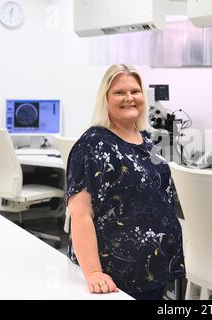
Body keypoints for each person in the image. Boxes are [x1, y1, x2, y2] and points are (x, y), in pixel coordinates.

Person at [66, 64, 185, 300]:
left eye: (135, 91)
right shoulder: (93, 144)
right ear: (106, 99)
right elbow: (80, 214)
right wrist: (93, 273)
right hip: (118, 274)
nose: (129, 98)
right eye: (120, 92)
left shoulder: (148, 140)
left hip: (154, 269)